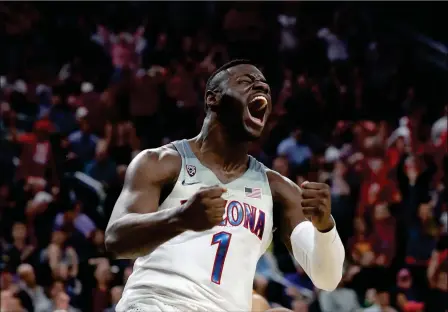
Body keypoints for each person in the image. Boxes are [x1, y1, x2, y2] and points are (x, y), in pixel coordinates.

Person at [105, 60, 345, 312]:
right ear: (212, 99)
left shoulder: (279, 190)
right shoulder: (162, 162)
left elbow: (327, 278)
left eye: (265, 88)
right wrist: (180, 219)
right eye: (246, 82)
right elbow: (116, 240)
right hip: (156, 303)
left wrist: (324, 226)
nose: (260, 89)